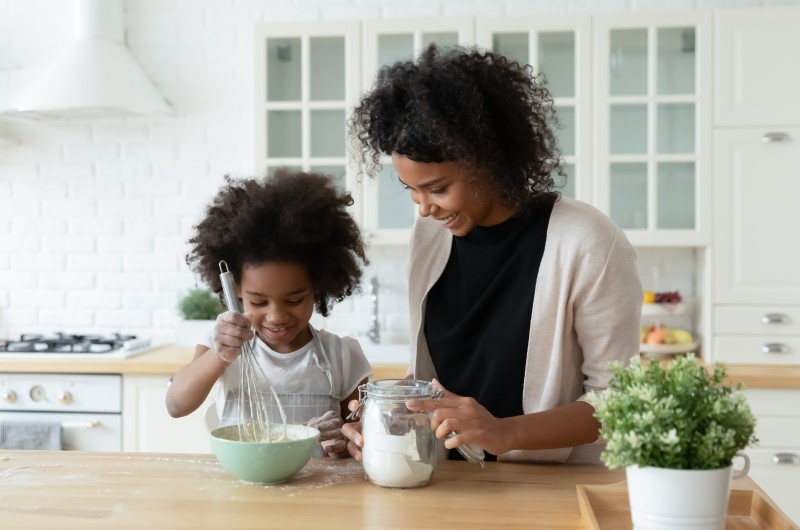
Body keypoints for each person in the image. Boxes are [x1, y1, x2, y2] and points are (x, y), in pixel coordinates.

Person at [343, 44, 642, 464]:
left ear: (489, 159)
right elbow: (437, 380)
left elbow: (620, 403)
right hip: (445, 482)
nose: (424, 207)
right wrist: (384, 416)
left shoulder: (587, 242)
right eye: (410, 189)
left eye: (438, 188)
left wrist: (505, 431)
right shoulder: (430, 236)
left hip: (550, 493)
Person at [166, 170, 372, 458]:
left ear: (318, 286)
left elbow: (361, 439)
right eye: (259, 302)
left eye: (294, 299)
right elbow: (176, 405)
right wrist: (220, 355)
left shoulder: (342, 355)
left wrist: (343, 441)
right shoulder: (223, 347)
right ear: (236, 289)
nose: (276, 316)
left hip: (317, 496)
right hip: (242, 495)